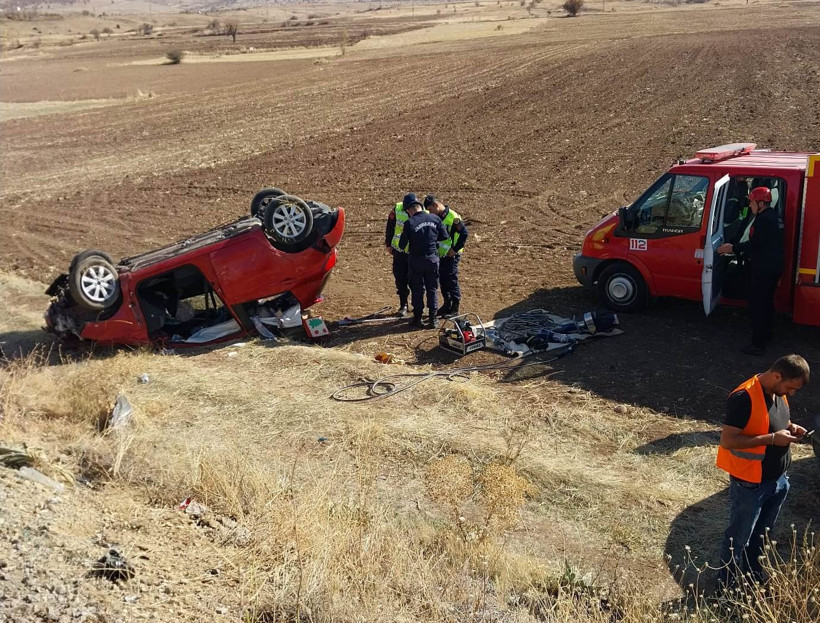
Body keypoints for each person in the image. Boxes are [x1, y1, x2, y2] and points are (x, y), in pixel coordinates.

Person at [716, 354, 810, 587]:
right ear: (777, 376)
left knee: (760, 536)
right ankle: (726, 585)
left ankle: (751, 575)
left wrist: (790, 427)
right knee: (738, 538)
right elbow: (728, 440)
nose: (792, 393)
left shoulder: (777, 392)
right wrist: (771, 439)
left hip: (778, 481)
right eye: (790, 388)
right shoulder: (743, 397)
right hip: (751, 483)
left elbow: (772, 421)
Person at [717, 186, 784, 356]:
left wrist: (732, 247)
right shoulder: (773, 217)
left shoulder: (763, 220)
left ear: (761, 203)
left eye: (752, 202)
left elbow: (755, 245)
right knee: (767, 301)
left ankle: (757, 344)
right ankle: (767, 334)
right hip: (773, 267)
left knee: (756, 304)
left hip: (763, 268)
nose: (750, 205)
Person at [398, 198, 449, 329]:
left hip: (416, 260)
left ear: (410, 210)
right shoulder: (435, 219)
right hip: (432, 259)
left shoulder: (410, 222)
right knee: (432, 288)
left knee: (417, 289)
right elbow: (444, 236)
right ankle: (433, 319)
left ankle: (418, 318)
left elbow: (401, 244)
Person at [424, 195, 469, 318]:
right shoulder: (436, 217)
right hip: (441, 255)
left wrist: (454, 249)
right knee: (443, 280)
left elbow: (464, 233)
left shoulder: (453, 217)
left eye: (430, 209)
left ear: (436, 205)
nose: (430, 212)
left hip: (451, 255)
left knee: (451, 280)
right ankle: (447, 304)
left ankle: (455, 307)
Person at [384, 193, 422, 316]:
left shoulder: (422, 212)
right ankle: (403, 304)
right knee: (400, 279)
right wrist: (388, 244)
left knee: (415, 280)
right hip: (399, 251)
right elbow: (390, 226)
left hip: (414, 252)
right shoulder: (397, 208)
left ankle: (417, 306)